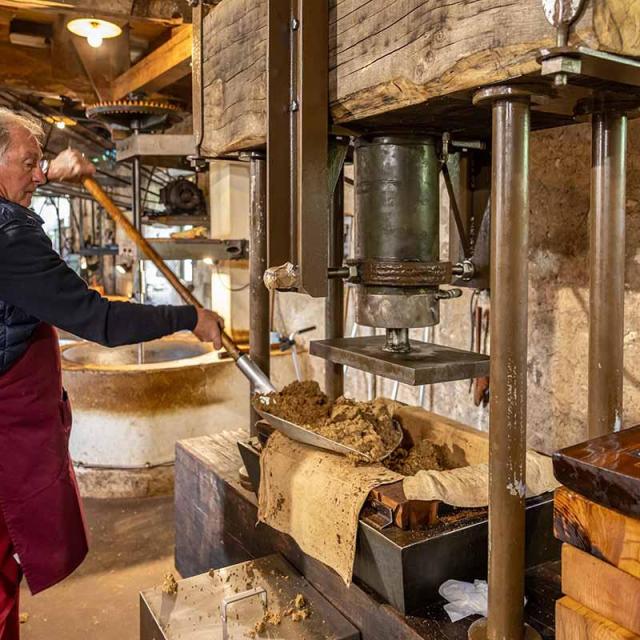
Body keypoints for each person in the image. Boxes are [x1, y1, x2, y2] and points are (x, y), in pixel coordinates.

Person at [0, 109, 225, 639]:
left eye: (40, 165)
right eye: (29, 164)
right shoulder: (10, 237)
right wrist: (188, 317)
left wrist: (50, 171)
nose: (37, 177)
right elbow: (99, 318)